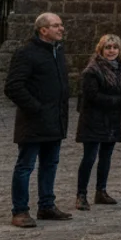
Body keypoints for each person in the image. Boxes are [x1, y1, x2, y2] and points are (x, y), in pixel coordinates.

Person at [4, 12, 73, 228]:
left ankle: (46, 206)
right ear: (43, 30)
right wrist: (36, 108)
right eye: (56, 25)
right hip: (33, 122)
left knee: (50, 164)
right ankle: (20, 211)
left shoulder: (58, 51)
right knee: (25, 166)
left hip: (55, 121)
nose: (61, 28)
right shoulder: (26, 53)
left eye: (61, 24)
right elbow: (13, 87)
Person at [75, 34, 121, 211]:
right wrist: (118, 101)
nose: (111, 51)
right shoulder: (93, 70)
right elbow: (92, 96)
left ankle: (101, 191)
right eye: (108, 47)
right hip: (94, 120)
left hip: (112, 120)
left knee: (106, 157)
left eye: (115, 47)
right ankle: (81, 194)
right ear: (101, 49)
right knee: (89, 158)